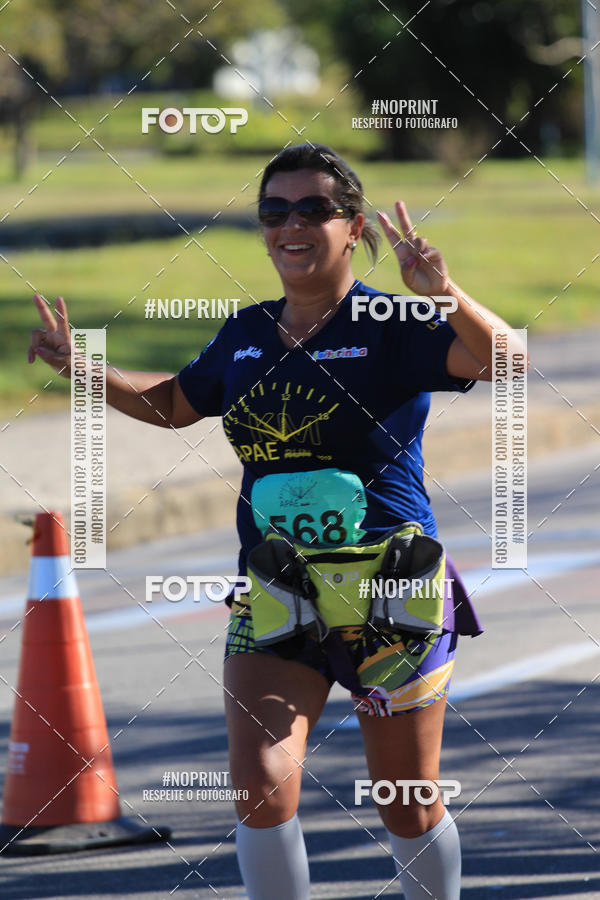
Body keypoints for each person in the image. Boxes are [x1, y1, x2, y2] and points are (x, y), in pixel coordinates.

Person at [28, 143, 518, 899]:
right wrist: (82, 368)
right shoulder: (247, 332)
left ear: (354, 227)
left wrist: (445, 292)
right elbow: (171, 405)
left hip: (388, 590)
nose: (293, 224)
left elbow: (505, 361)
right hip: (277, 586)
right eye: (275, 210)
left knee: (407, 803)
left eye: (314, 209)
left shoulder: (392, 320)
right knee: (258, 783)